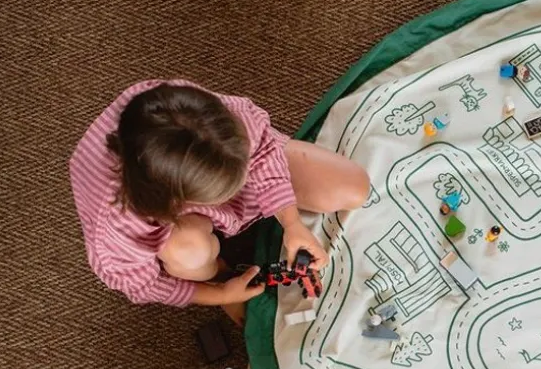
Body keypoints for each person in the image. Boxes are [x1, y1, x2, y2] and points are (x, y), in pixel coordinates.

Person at [70, 79, 369, 316]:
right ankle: (217, 271)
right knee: (189, 251)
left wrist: (292, 223)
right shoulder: (115, 225)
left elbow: (264, 151)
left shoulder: (189, 112)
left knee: (352, 188)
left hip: (198, 172)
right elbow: (145, 285)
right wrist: (221, 293)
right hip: (175, 226)